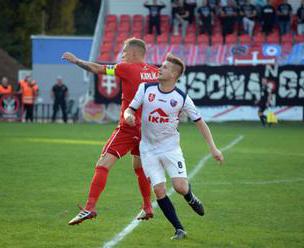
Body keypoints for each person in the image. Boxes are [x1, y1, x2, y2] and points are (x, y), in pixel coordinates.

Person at [124, 53, 224, 239]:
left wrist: (213, 148)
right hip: (148, 149)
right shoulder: (145, 88)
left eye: (165, 67)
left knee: (179, 187)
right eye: (161, 66)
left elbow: (200, 122)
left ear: (174, 75)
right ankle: (179, 228)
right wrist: (128, 116)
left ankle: (190, 197)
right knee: (159, 190)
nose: (160, 69)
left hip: (170, 149)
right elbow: (130, 108)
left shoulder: (181, 98)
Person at [62, 38, 159, 225]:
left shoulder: (125, 67)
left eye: (124, 50)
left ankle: (89, 207)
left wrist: (77, 61)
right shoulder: (155, 72)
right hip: (147, 130)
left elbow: (98, 69)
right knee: (139, 168)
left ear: (134, 52)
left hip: (128, 127)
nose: (122, 53)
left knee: (103, 163)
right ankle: (147, 207)